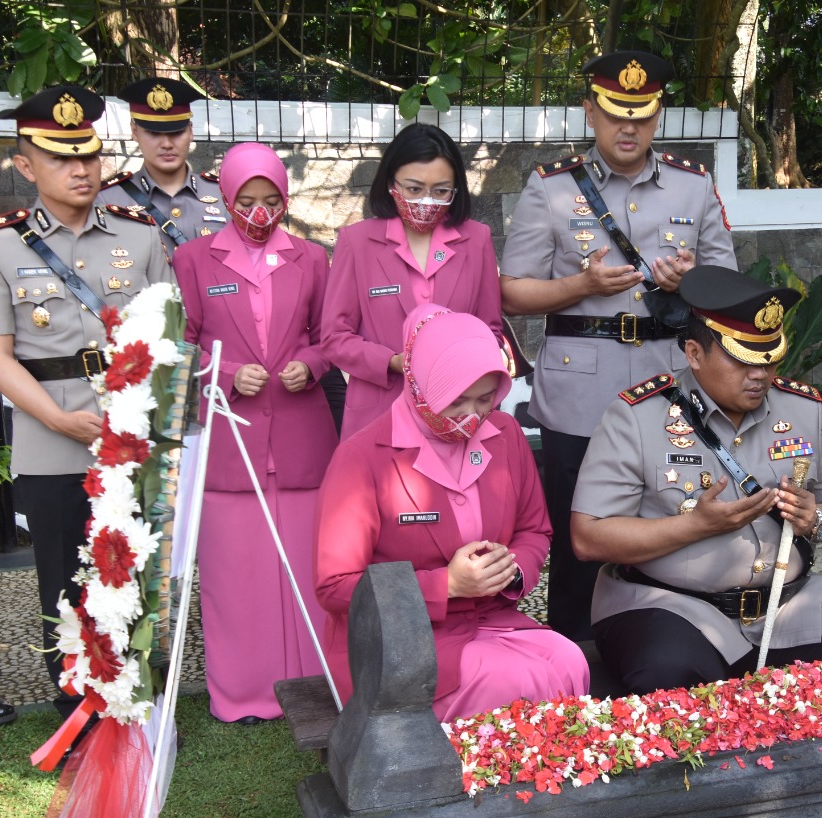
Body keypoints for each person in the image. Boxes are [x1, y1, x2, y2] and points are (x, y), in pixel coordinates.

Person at [571, 266, 822, 694]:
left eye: (769, 358)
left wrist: (815, 519)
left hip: (785, 605)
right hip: (674, 606)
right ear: (694, 353)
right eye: (742, 359)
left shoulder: (800, 408)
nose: (760, 375)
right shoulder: (636, 417)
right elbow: (588, 537)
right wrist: (694, 526)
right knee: (671, 675)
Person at [499, 50, 738, 641]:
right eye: (614, 115)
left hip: (671, 389)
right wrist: (580, 286)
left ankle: (662, 650)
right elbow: (511, 293)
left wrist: (691, 283)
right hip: (579, 396)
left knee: (673, 526)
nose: (628, 128)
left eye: (642, 115)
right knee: (579, 541)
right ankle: (574, 662)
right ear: (590, 112)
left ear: (658, 116)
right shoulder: (551, 189)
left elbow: (728, 292)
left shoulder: (693, 187)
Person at [0, 86, 174, 719]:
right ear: (25, 165)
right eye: (61, 158)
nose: (80, 170)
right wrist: (56, 419)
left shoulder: (140, 236)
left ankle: (137, 701)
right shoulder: (1, 247)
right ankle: (78, 708)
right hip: (51, 437)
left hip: (131, 438)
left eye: (88, 156)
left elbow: (168, 338)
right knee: (65, 583)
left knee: (136, 571)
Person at [314, 305, 588, 721]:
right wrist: (446, 585)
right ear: (419, 383)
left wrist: (511, 571)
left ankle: (540, 762)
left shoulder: (505, 434)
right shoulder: (361, 458)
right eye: (456, 400)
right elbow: (334, 586)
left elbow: (534, 529)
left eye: (485, 399)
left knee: (570, 662)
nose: (471, 416)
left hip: (489, 620)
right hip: (401, 640)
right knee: (516, 681)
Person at [176, 142, 337, 723]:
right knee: (236, 577)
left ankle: (317, 682)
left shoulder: (312, 258)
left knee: (309, 569)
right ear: (225, 197)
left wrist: (311, 365)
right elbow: (179, 345)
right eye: (246, 201)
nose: (260, 212)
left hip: (301, 438)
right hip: (230, 440)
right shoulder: (192, 259)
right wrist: (222, 373)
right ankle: (244, 694)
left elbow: (330, 335)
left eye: (272, 199)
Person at [321, 123, 503, 439]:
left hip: (459, 414)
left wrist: (461, 363)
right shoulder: (357, 242)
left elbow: (491, 330)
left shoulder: (477, 239)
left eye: (441, 191)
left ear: (456, 189)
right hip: (379, 412)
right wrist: (392, 362)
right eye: (414, 189)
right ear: (390, 184)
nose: (426, 202)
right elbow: (335, 338)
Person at [99, 76, 228, 258]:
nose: (167, 144)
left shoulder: (224, 195)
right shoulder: (107, 200)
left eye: (177, 132)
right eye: (154, 133)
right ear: (135, 132)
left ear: (191, 131)